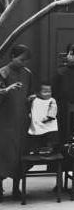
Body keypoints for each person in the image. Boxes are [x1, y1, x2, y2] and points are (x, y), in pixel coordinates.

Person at [0, 44, 34, 199]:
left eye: (26, 60)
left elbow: (29, 93)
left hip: (21, 119)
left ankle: (16, 188)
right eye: (21, 59)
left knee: (21, 153)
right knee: (4, 153)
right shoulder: (3, 73)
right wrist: (7, 90)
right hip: (5, 120)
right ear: (12, 56)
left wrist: (31, 98)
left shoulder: (27, 73)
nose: (24, 63)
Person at [27, 82, 59, 152]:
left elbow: (53, 110)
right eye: (45, 92)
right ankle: (36, 149)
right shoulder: (35, 99)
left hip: (48, 124)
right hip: (37, 123)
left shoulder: (51, 100)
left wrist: (49, 117)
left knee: (48, 138)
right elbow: (29, 102)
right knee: (37, 137)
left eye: (49, 92)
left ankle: (48, 149)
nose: (47, 93)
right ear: (38, 93)